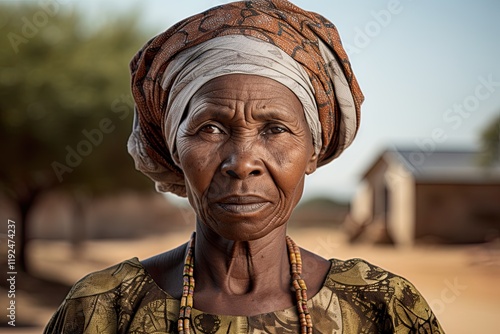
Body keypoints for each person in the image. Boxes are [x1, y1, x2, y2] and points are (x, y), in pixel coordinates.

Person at [44, 1, 444, 333]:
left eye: (275, 128)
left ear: (313, 152)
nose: (243, 163)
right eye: (211, 128)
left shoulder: (384, 307)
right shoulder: (101, 311)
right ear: (172, 149)